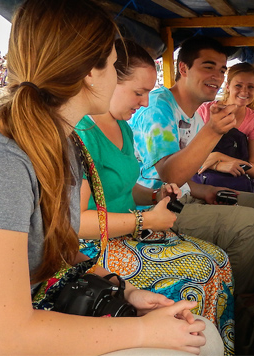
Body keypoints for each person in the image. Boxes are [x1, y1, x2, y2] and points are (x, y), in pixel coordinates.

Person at [0, 0, 222, 355]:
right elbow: (11, 337)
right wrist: (141, 331)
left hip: (28, 313)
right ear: (89, 71)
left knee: (199, 335)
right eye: (114, 65)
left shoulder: (63, 145)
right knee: (191, 344)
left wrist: (127, 291)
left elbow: (59, 250)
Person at [76, 39, 235, 354]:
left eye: (149, 92)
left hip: (129, 231)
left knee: (218, 260)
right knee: (201, 270)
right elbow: (76, 224)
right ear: (107, 80)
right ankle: (189, 341)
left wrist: (153, 195)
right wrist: (146, 218)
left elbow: (123, 187)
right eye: (138, 92)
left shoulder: (124, 128)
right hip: (94, 247)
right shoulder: (82, 135)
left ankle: (216, 345)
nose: (146, 103)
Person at [129, 36, 254, 296]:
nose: (217, 76)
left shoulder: (195, 114)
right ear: (184, 68)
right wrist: (213, 131)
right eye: (208, 67)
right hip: (154, 207)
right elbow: (169, 173)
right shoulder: (158, 107)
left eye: (222, 70)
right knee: (249, 224)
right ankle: (237, 306)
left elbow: (185, 177)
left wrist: (204, 191)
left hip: (185, 196)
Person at [194, 62, 254, 193]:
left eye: (250, 87)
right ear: (227, 87)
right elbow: (189, 158)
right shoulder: (205, 110)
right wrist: (218, 164)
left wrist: (217, 156)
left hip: (234, 182)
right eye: (238, 85)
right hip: (202, 181)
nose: (244, 91)